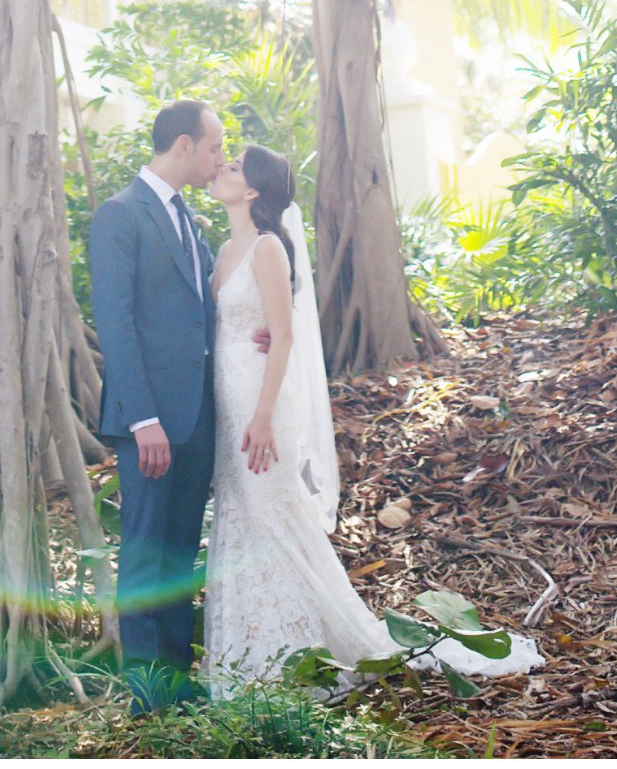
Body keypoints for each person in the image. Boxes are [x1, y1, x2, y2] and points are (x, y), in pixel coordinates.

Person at [202, 144, 544, 695]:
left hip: (259, 405)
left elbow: (285, 335)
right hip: (227, 400)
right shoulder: (222, 249)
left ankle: (292, 659)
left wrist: (264, 415)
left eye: (234, 167)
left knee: (272, 523)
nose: (221, 170)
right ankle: (253, 653)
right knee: (243, 523)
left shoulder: (267, 248)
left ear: (254, 190)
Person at [88, 100, 232, 714]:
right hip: (148, 421)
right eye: (215, 147)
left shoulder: (190, 222)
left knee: (178, 552)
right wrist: (143, 419)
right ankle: (147, 693)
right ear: (183, 145)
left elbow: (199, 316)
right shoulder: (120, 216)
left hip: (196, 418)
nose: (219, 159)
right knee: (147, 552)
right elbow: (115, 325)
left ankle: (177, 679)